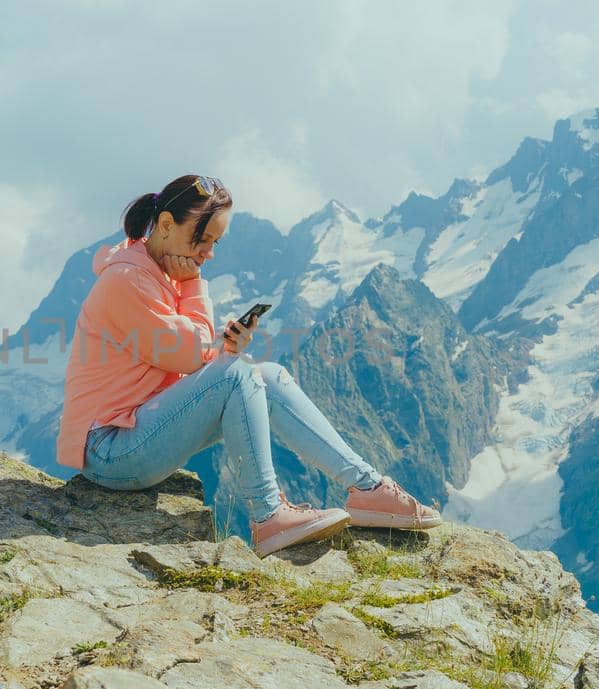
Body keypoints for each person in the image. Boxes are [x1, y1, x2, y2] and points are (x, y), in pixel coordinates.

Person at [54, 174, 441, 556]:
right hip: (109, 451)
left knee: (266, 376)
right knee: (239, 372)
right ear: (167, 225)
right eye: (201, 240)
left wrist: (223, 347)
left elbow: (184, 353)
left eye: (214, 242)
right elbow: (188, 354)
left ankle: (368, 489)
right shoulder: (128, 280)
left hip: (138, 430)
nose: (208, 253)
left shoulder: (157, 273)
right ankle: (268, 515)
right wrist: (195, 286)